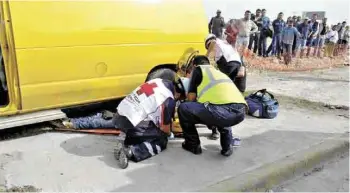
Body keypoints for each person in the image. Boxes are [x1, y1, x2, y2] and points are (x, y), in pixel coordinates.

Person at [62, 77, 187, 169]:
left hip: (121, 112)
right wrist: (170, 134)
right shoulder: (168, 99)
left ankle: (75, 123)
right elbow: (165, 128)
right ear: (179, 94)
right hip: (132, 122)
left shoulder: (159, 81)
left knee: (107, 122)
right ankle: (131, 151)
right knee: (161, 140)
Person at [177, 55, 247, 156]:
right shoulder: (218, 72)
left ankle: (193, 145)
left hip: (222, 112)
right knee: (221, 110)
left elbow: (190, 100)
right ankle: (227, 147)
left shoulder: (198, 70)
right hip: (241, 111)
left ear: (194, 65)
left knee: (184, 108)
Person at [204, 34, 246, 140]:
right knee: (227, 95)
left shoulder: (214, 42)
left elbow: (209, 55)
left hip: (229, 66)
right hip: (237, 66)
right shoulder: (225, 43)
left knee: (216, 97)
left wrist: (203, 59)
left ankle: (216, 129)